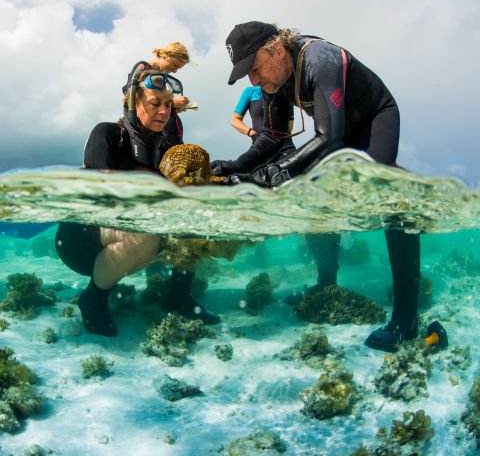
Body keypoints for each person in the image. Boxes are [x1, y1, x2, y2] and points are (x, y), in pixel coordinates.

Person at [219, 21, 419, 352]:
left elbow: (329, 138)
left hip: (374, 119)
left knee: (391, 203)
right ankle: (326, 283)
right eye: (246, 76)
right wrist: (237, 166)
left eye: (254, 68)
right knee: (314, 196)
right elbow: (273, 137)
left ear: (277, 49)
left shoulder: (319, 60)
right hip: (337, 133)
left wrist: (277, 173)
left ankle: (406, 322)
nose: (253, 81)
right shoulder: (278, 80)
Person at [55, 67, 219, 337]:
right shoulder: (107, 133)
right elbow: (101, 191)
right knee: (147, 232)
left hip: (134, 238)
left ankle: (177, 297)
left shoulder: (166, 148)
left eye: (168, 105)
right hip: (80, 242)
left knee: (194, 225)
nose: (165, 112)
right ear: (133, 101)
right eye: (155, 103)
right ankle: (93, 299)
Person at [122, 42, 192, 143]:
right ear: (166, 55)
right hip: (158, 136)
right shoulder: (142, 67)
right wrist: (173, 103)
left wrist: (173, 106)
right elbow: (130, 96)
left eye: (178, 68)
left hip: (170, 133)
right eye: (175, 65)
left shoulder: (163, 78)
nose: (175, 71)